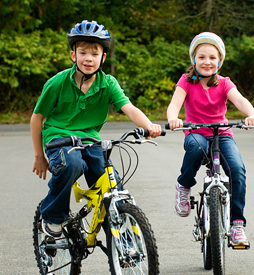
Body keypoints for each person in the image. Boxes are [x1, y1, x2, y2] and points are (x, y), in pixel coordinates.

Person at [31, 20, 162, 237]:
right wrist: (39, 156)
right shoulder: (58, 82)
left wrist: (148, 126)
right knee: (72, 164)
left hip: (90, 140)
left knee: (112, 185)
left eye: (95, 53)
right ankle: (53, 215)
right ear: (73, 55)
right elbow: (37, 118)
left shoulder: (108, 83)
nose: (88, 58)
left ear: (103, 57)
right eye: (83, 52)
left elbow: (129, 108)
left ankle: (125, 245)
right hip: (59, 138)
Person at [167, 32, 254, 246]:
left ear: (219, 61)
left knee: (237, 170)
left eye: (212, 57)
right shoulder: (187, 81)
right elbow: (174, 104)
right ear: (194, 60)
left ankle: (237, 224)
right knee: (196, 149)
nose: (207, 62)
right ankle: (184, 186)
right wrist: (174, 119)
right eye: (201, 57)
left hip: (222, 134)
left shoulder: (225, 83)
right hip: (196, 132)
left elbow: (240, 100)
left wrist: (251, 115)